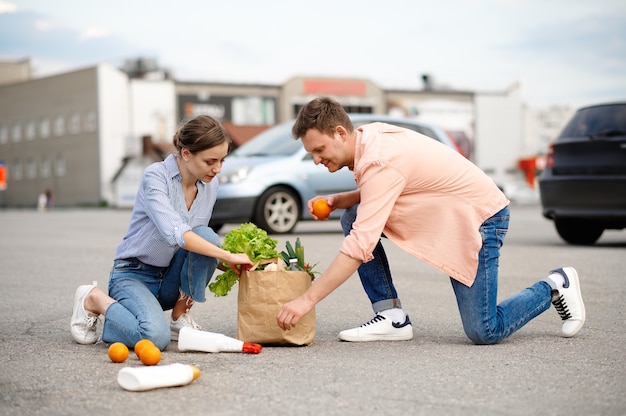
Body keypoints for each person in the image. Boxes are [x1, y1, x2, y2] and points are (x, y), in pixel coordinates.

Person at [276, 97, 585, 345]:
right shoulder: (369, 137)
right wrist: (345, 199)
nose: (316, 159)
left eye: (319, 150)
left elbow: (360, 245)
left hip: (481, 217)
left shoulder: (378, 159)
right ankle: (391, 317)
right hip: (457, 211)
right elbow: (396, 183)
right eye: (311, 153)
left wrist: (306, 301)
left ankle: (556, 285)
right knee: (354, 214)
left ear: (340, 133)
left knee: (484, 329)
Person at [70, 115, 254, 350]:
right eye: (210, 162)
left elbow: (197, 244)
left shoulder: (210, 184)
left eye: (222, 160)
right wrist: (228, 256)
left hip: (169, 279)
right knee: (155, 338)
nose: (217, 169)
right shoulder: (155, 177)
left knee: (206, 235)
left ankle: (179, 320)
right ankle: (94, 299)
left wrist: (232, 265)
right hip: (133, 275)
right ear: (186, 153)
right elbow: (176, 233)